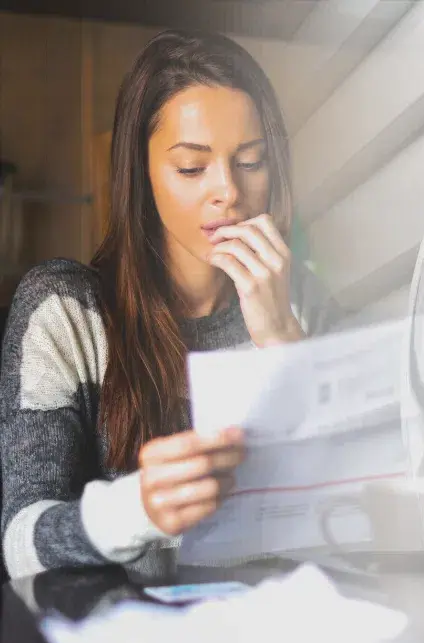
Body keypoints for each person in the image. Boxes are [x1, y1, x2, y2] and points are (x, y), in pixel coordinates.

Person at [0, 30, 340, 580]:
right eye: (191, 168)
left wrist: (281, 340)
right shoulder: (66, 311)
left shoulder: (300, 300)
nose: (227, 191)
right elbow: (21, 545)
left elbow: (358, 518)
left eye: (250, 162)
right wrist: (137, 511)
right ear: (143, 173)